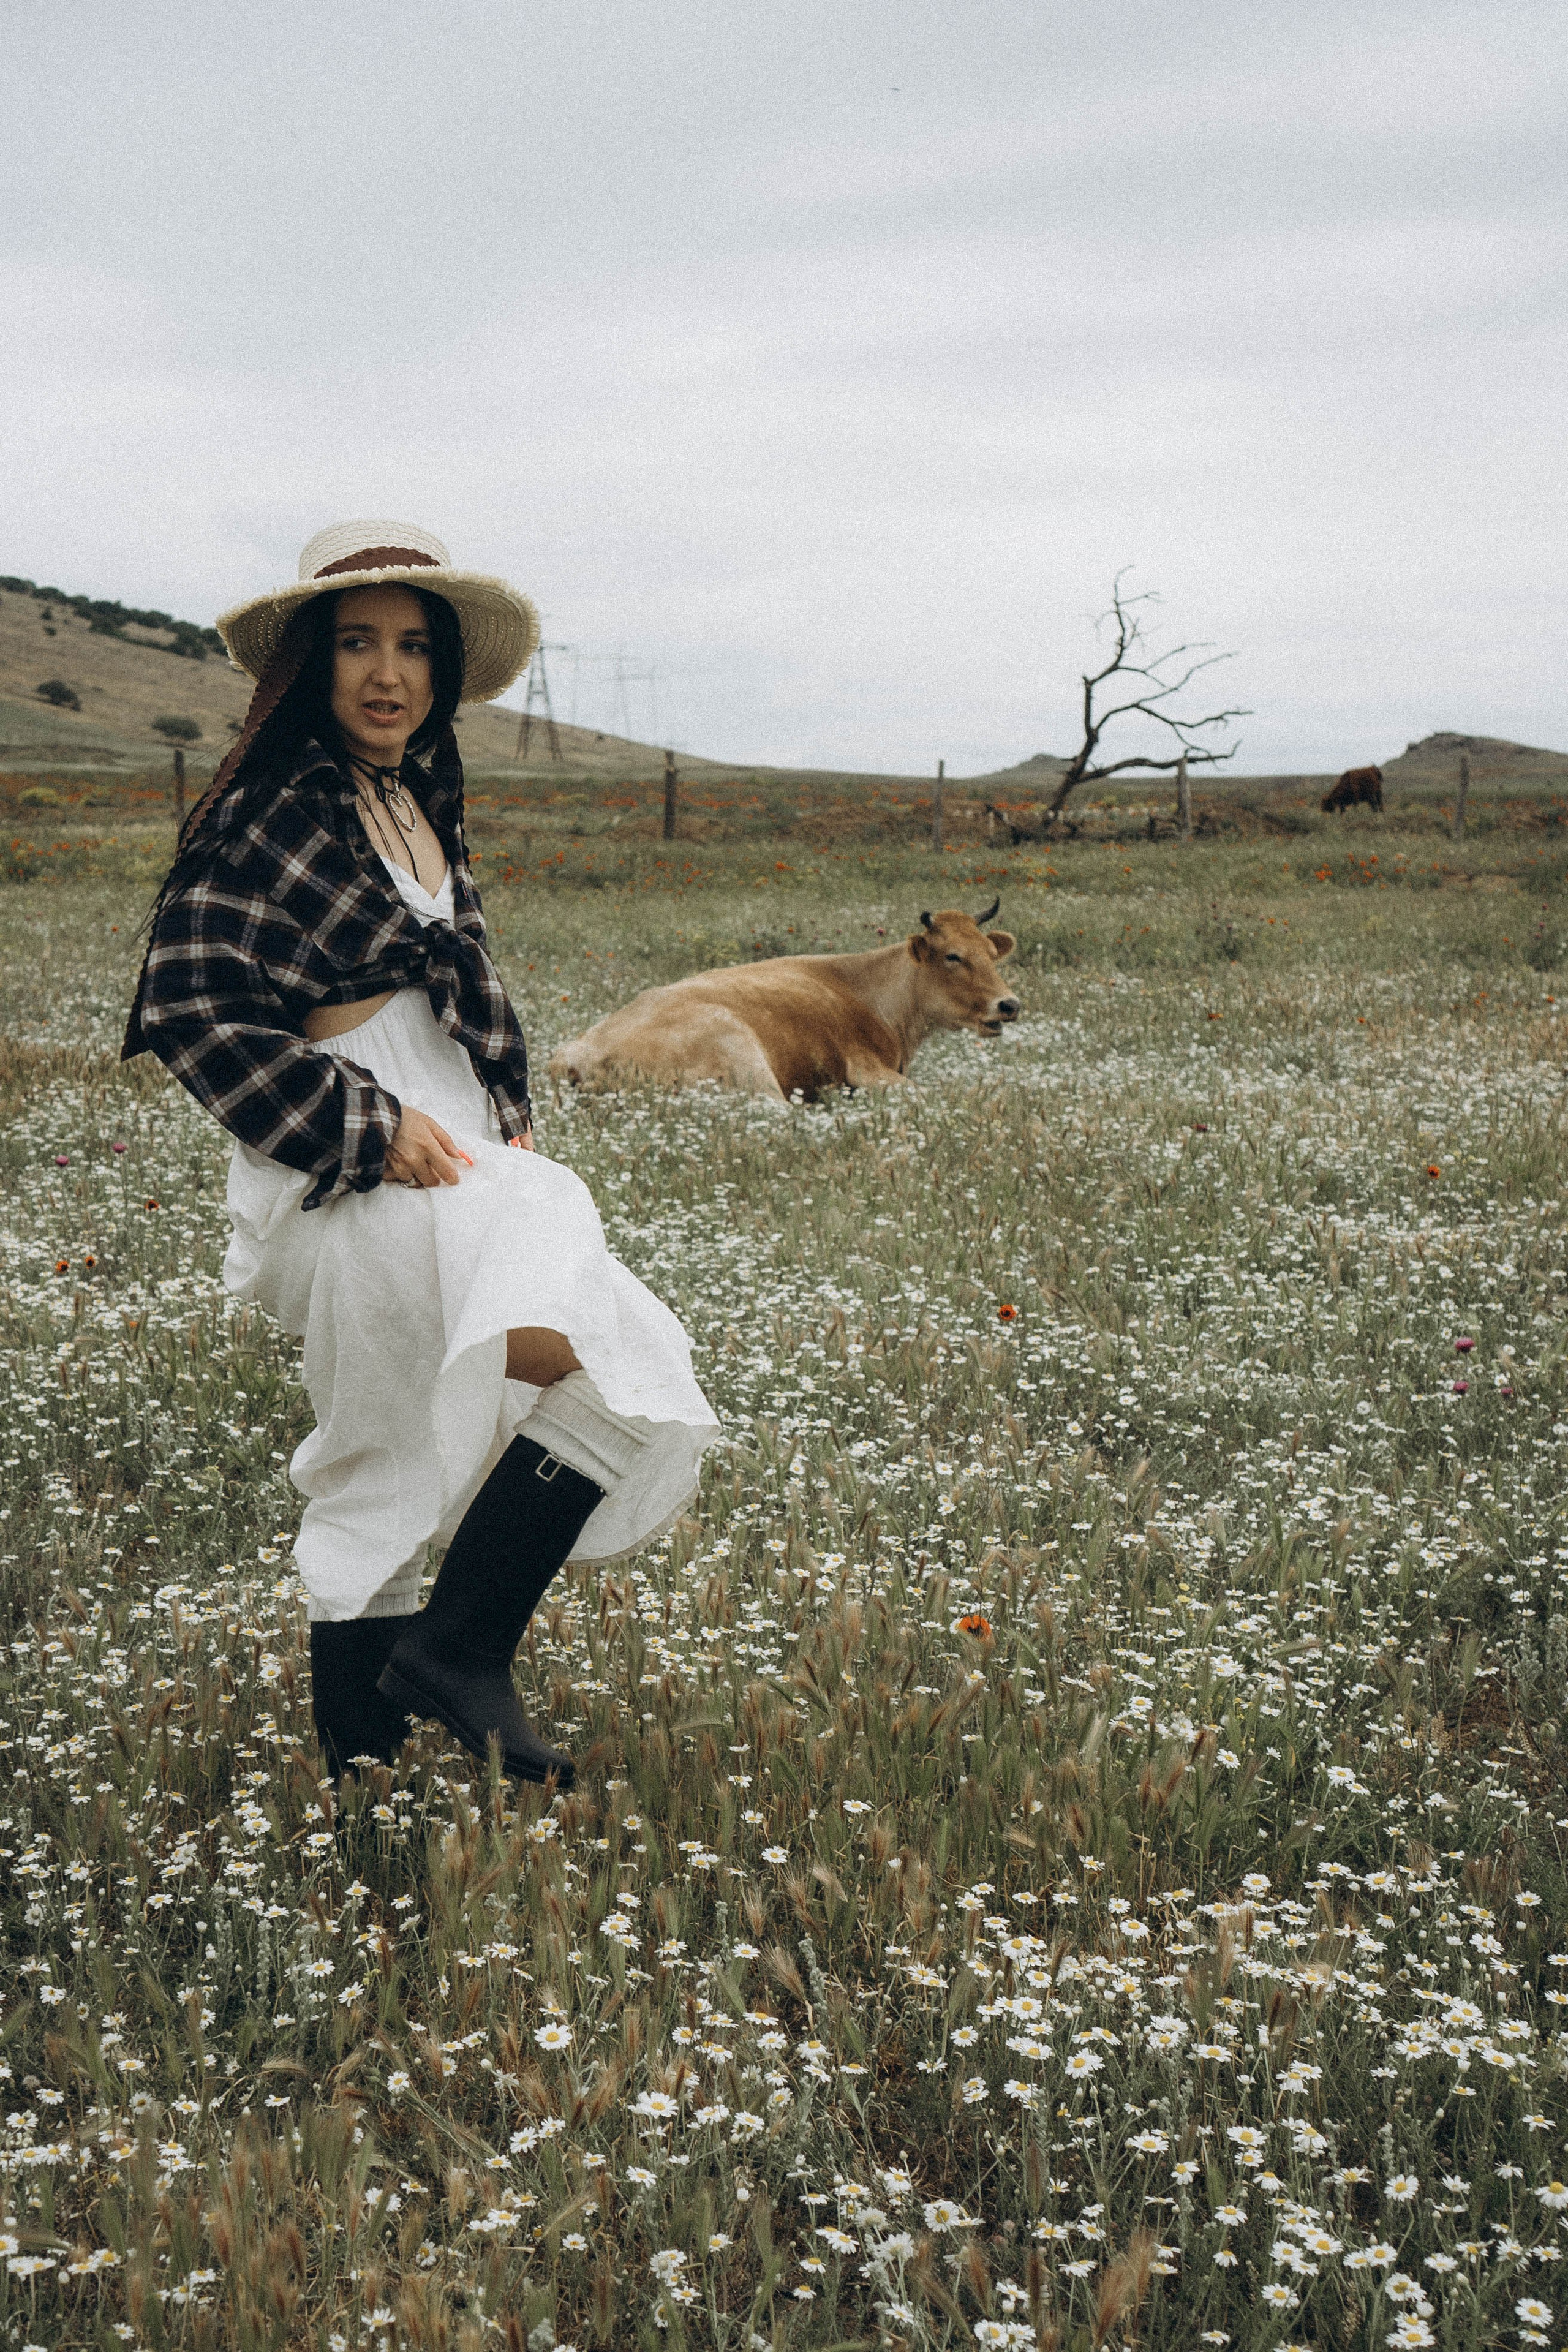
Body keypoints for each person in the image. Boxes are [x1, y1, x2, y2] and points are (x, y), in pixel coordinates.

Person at [124, 521, 718, 1787]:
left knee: (619, 1371)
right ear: (308, 665)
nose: (385, 674)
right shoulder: (273, 807)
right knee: (385, 1452)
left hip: (456, 1151)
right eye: (355, 644)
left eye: (410, 647)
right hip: (348, 1164)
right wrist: (366, 1125)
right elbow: (190, 1008)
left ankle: (452, 1652)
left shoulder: (417, 799)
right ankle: (371, 1766)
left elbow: (457, 981)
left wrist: (498, 1106)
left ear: (442, 672)